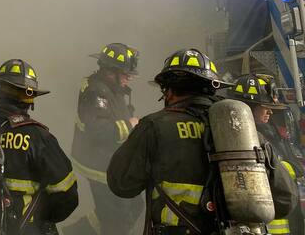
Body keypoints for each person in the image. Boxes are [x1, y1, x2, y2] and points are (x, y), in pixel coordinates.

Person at [108, 48, 297, 234]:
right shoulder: (243, 128)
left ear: (169, 91)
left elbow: (121, 184)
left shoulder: (154, 126)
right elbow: (284, 200)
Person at [0, 59, 78, 234]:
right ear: (28, 99)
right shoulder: (39, 138)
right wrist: (39, 218)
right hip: (23, 229)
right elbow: (68, 196)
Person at [68, 43, 143, 235]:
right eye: (126, 74)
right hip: (99, 166)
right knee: (117, 220)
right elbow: (99, 131)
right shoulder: (96, 92)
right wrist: (130, 125)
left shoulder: (111, 87)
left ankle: (74, 232)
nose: (129, 78)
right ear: (111, 71)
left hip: (111, 161)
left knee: (134, 206)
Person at [227, 73, 305, 235]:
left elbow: (296, 167)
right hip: (263, 224)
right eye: (265, 106)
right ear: (248, 106)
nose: (270, 111)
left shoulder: (271, 133)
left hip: (285, 219)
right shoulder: (242, 138)